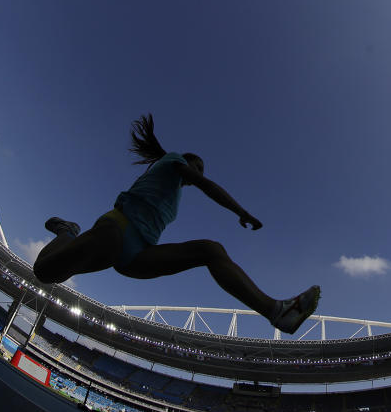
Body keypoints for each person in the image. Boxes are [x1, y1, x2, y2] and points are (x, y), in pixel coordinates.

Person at [32, 114, 320, 334]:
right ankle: (67, 230)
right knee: (46, 271)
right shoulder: (173, 160)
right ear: (186, 161)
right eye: (198, 167)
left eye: (201, 170)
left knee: (210, 250)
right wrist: (240, 211)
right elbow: (206, 185)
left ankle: (277, 311)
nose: (199, 173)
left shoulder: (175, 193)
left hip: (139, 254)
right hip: (116, 229)